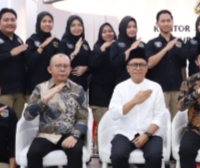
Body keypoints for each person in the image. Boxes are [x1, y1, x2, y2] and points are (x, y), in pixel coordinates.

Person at [24, 54, 89, 168]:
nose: (62, 69)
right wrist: (46, 98)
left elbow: (83, 117)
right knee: (33, 154)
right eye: (58, 66)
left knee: (76, 153)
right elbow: (28, 115)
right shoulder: (40, 88)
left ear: (70, 69)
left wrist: (75, 135)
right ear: (49, 69)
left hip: (69, 134)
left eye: (66, 66)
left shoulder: (78, 89)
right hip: (47, 134)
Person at [107, 48, 167, 168]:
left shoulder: (156, 87)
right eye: (134, 65)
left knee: (155, 155)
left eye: (142, 64)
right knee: (117, 155)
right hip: (125, 132)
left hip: (150, 132)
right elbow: (113, 114)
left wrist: (147, 135)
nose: (138, 68)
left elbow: (159, 116)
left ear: (147, 68)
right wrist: (134, 101)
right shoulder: (120, 88)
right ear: (128, 68)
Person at [146, 10, 186, 119]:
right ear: (157, 24)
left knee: (177, 122)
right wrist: (166, 48)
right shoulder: (151, 43)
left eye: (168, 21)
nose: (166, 23)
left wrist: (184, 83)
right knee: (161, 122)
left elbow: (183, 66)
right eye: (162, 21)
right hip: (160, 90)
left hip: (177, 89)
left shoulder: (179, 42)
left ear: (172, 22)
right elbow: (150, 64)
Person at [89, 22, 117, 153]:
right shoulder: (96, 49)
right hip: (99, 95)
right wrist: (103, 49)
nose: (108, 34)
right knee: (103, 126)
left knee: (116, 126)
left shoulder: (118, 48)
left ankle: (115, 154)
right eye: (104, 32)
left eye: (110, 31)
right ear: (100, 34)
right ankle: (102, 153)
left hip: (115, 93)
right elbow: (93, 65)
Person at [26, 11, 60, 95]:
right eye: (44, 21)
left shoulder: (56, 42)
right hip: (35, 86)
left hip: (53, 86)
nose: (47, 24)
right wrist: (42, 46)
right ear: (38, 23)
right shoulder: (31, 40)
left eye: (50, 21)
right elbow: (29, 63)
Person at [58, 15, 91, 91]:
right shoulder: (63, 43)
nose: (77, 28)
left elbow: (91, 61)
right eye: (73, 25)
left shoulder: (84, 43)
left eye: (79, 25)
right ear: (68, 27)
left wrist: (86, 68)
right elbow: (61, 63)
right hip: (67, 86)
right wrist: (75, 51)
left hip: (83, 86)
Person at [110, 16, 146, 85]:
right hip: (122, 84)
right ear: (123, 28)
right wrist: (131, 48)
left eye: (134, 27)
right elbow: (115, 63)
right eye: (129, 27)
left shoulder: (142, 44)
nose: (132, 29)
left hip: (140, 84)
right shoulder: (116, 44)